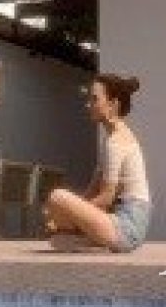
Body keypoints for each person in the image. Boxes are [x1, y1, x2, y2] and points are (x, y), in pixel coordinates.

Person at [44, 73, 150, 252]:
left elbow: (106, 198)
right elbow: (91, 193)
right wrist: (66, 213)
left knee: (57, 197)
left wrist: (67, 214)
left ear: (113, 104)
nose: (88, 105)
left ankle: (99, 243)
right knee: (58, 239)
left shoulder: (116, 142)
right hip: (117, 220)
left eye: (94, 99)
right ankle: (96, 245)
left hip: (128, 225)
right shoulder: (110, 140)